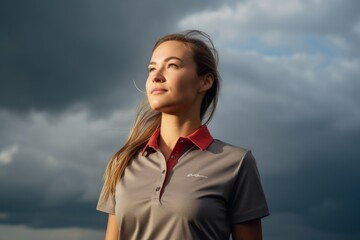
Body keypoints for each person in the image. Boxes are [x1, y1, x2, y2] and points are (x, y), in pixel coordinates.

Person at [97, 30, 269, 240]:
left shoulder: (237, 163)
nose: (156, 76)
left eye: (172, 65)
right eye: (151, 69)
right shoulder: (122, 162)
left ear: (205, 82)